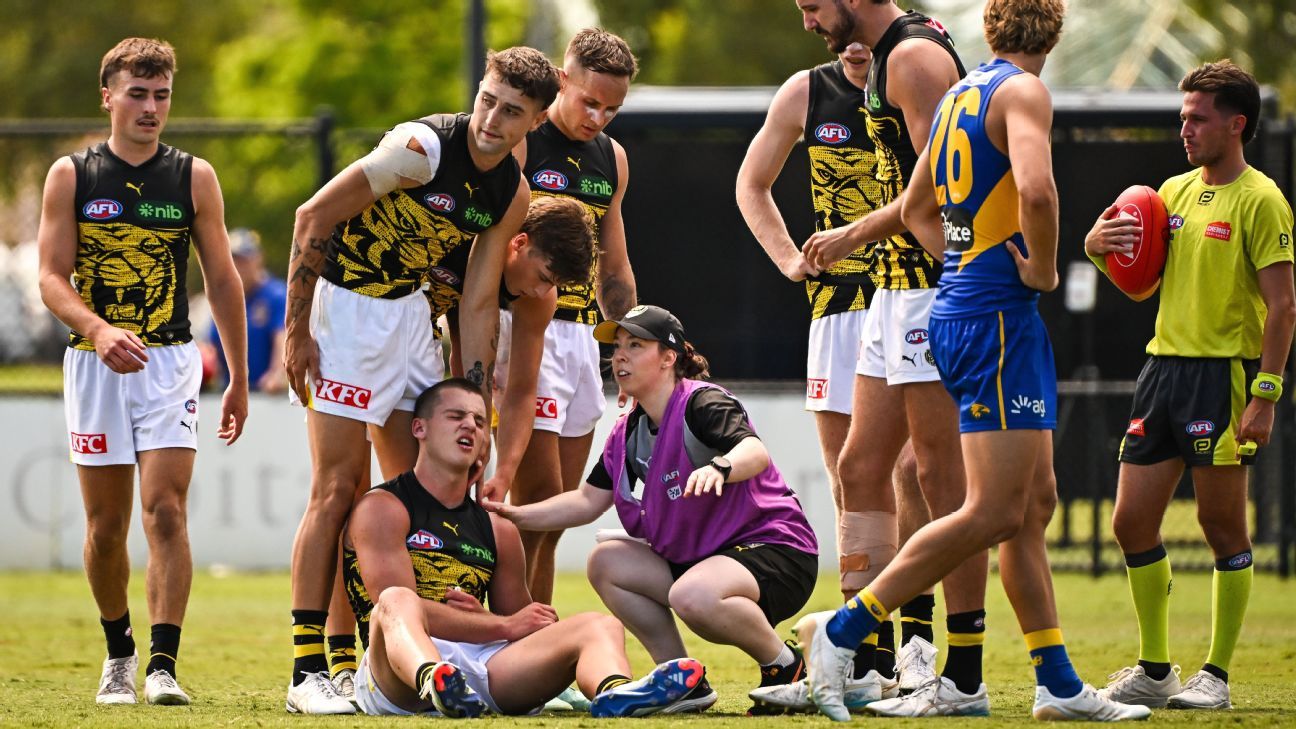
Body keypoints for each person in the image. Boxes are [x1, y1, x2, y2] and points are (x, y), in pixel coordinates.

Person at [795, 0, 1153, 721]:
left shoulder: (962, 93)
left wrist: (862, 239)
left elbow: (914, 207)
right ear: (1054, 32)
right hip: (994, 318)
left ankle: (1052, 682)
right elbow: (1039, 188)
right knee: (987, 507)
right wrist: (1044, 269)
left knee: (1031, 505)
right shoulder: (1024, 91)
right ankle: (842, 634)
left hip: (966, 308)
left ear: (988, 31)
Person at [280, 47, 560, 714]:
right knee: (337, 488)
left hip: (409, 318)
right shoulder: (418, 148)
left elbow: (476, 302)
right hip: (347, 310)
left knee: (412, 497)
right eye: (488, 98)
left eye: (512, 110)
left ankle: (364, 665)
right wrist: (296, 330)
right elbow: (311, 218)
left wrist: (477, 412)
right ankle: (306, 670)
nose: (491, 118)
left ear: (536, 119)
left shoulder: (510, 192)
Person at [36, 37, 248, 706]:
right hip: (94, 365)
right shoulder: (72, 175)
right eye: (138, 93)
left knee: (165, 509)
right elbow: (49, 276)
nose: (151, 108)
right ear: (109, 96)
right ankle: (119, 652)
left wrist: (239, 374)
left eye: (161, 96)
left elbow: (222, 278)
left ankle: (162, 662)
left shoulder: (194, 176)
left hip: (169, 363)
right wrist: (97, 330)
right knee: (104, 527)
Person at [484, 305, 819, 713]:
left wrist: (721, 466)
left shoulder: (703, 402)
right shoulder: (627, 431)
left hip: (777, 551)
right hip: (707, 562)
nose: (620, 356)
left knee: (691, 594)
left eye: (635, 345)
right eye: (618, 347)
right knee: (606, 562)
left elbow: (754, 451)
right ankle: (682, 679)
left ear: (668, 358)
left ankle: (788, 669)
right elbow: (587, 501)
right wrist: (515, 513)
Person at [794, 0, 989, 702]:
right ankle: (868, 663)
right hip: (892, 288)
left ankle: (963, 673)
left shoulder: (912, 57)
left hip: (932, 287)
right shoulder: (885, 59)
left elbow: (940, 190)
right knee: (861, 464)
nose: (809, 21)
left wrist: (853, 234)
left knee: (941, 479)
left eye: (814, 5)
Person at [1086, 60, 1295, 711]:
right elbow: (1142, 284)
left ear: (1236, 123)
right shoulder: (1169, 193)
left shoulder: (1261, 199)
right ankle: (1156, 669)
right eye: (1183, 117)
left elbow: (1284, 305)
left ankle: (1219, 676)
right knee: (1130, 522)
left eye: (1197, 118)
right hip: (1162, 371)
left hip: (1223, 378)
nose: (1185, 129)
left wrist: (1264, 395)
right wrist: (1098, 247)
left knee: (1221, 525)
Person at [736, 40, 934, 704]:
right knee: (854, 482)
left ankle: (919, 646)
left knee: (913, 476)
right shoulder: (806, 91)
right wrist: (790, 257)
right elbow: (751, 182)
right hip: (837, 308)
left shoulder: (918, 74)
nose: (847, 40)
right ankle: (866, 657)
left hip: (907, 292)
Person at [342, 378, 706, 717]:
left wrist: (494, 623)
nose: (470, 425)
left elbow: (523, 627)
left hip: (482, 668)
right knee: (395, 599)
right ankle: (434, 680)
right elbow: (396, 610)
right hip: (396, 676)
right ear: (419, 428)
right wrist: (500, 625)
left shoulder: (498, 528)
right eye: (456, 416)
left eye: (480, 421)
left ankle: (616, 693)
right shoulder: (383, 507)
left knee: (599, 625)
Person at [486, 28, 640, 608]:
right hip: (529, 328)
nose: (598, 117)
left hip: (580, 343)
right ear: (562, 81)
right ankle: (513, 643)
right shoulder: (525, 142)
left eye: (612, 108)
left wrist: (629, 343)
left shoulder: (612, 158)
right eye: (589, 101)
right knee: (536, 500)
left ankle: (537, 637)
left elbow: (616, 266)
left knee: (553, 516)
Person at [206, 228, 287, 393]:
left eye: (243, 260)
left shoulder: (276, 294)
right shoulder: (224, 299)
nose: (237, 267)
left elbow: (283, 338)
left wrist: (277, 374)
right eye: (232, 260)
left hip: (267, 394)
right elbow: (213, 345)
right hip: (232, 392)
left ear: (258, 259)